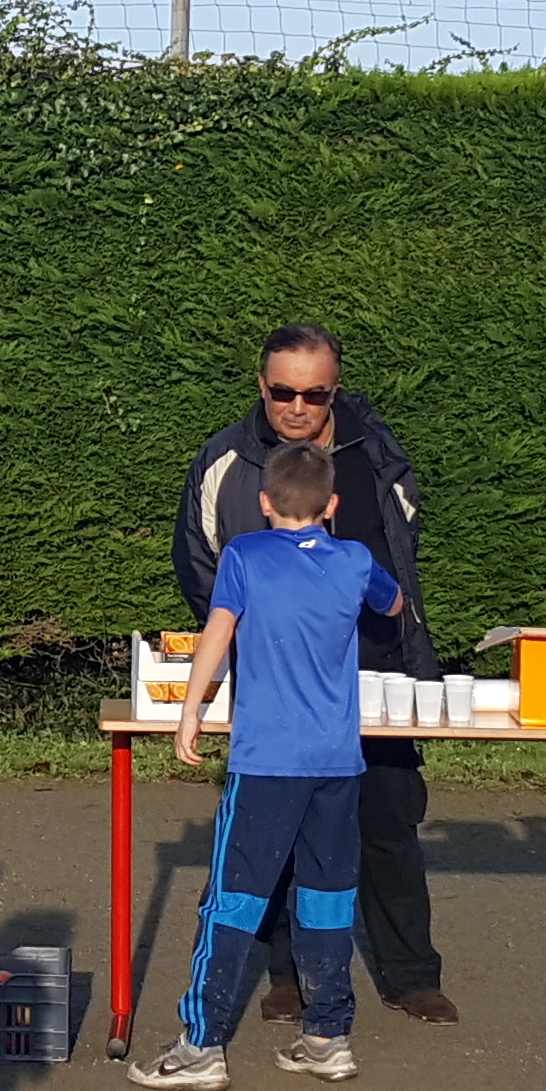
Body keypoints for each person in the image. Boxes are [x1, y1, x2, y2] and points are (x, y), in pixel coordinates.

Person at [174, 324, 455, 1022]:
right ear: (261, 384)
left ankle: (410, 974)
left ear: (335, 389)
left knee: (389, 818)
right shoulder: (225, 459)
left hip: (375, 666)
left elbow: (403, 546)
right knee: (276, 830)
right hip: (279, 682)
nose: (297, 406)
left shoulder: (375, 448)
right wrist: (256, 638)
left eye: (314, 394)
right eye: (282, 392)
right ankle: (289, 976)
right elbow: (201, 563)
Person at [136, 438, 409, 1090]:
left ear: (264, 502)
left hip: (266, 761)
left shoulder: (244, 555)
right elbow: (394, 603)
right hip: (336, 763)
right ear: (332, 505)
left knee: (232, 900)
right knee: (326, 897)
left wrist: (191, 710)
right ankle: (327, 1036)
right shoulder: (354, 559)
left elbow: (218, 631)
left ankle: (202, 1045)